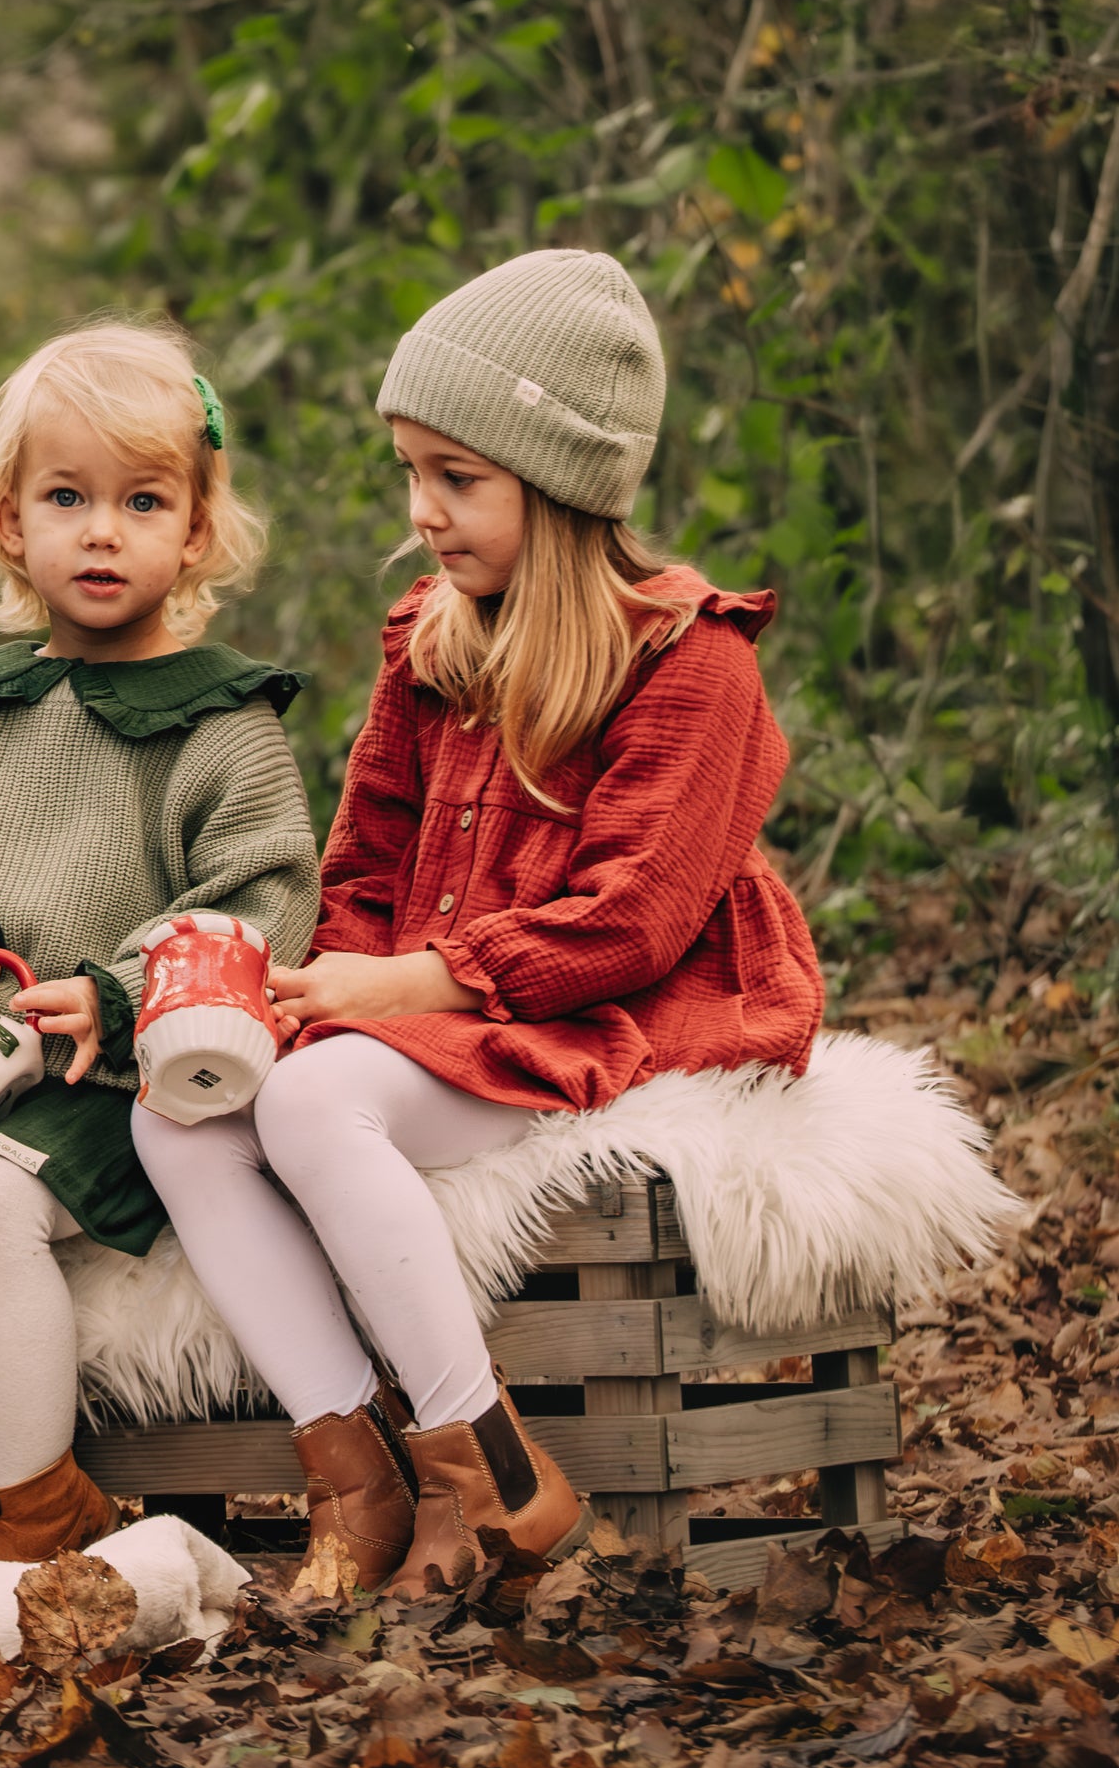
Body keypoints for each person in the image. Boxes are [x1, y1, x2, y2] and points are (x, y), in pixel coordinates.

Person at [133, 247, 827, 1603]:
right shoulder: (433, 641)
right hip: (420, 998)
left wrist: (398, 989)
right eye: (412, 473)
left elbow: (625, 923)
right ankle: (357, 1468)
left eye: (460, 479)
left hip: (595, 1006)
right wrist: (323, 974)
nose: (425, 511)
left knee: (316, 1104)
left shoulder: (695, 666)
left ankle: (492, 1470)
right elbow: (367, 849)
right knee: (182, 1113)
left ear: (561, 483)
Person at [0, 320, 321, 1586]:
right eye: (66, 497)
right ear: (8, 522)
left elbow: (262, 900)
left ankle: (37, 1498)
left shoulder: (218, 724)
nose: (100, 530)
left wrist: (129, 987)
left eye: (141, 500)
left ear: (193, 530)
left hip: (97, 1072)